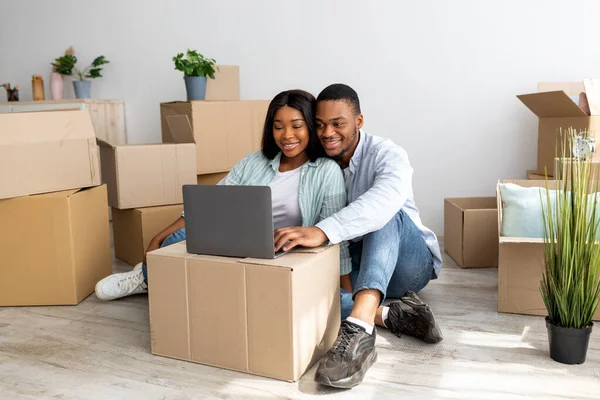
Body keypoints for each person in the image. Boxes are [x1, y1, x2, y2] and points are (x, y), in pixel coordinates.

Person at [95, 89, 352, 300]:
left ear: (310, 126)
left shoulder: (326, 171)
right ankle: (148, 278)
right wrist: (159, 237)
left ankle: (158, 281)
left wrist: (343, 287)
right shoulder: (254, 162)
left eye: (297, 126)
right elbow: (211, 205)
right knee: (176, 239)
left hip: (283, 254)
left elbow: (332, 235)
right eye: (278, 127)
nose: (287, 135)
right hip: (233, 241)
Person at [273, 84, 444, 388]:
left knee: (384, 212)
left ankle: (360, 329)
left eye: (338, 124)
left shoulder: (387, 154)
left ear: (359, 122)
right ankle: (392, 315)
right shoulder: (315, 163)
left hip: (408, 264)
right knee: (304, 291)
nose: (327, 133)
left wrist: (322, 230)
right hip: (357, 263)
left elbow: (382, 204)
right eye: (320, 124)